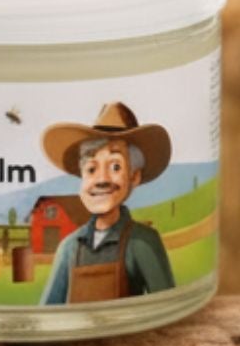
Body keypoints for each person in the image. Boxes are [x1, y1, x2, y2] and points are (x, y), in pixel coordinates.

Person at [38, 102, 176, 305]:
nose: (101, 179)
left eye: (115, 166)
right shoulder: (70, 247)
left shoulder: (141, 242)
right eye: (91, 169)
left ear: (134, 176)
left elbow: (166, 306)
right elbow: (47, 311)